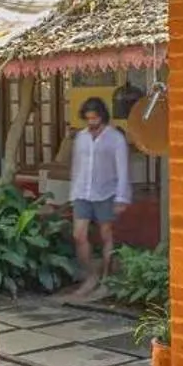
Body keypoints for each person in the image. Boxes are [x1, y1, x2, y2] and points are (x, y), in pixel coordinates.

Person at [68, 96, 131, 296]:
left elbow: (123, 169)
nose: (91, 123)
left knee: (106, 235)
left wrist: (122, 197)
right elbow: (77, 167)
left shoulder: (115, 138)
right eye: (88, 119)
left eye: (94, 119)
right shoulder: (81, 137)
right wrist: (73, 193)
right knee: (79, 235)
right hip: (82, 192)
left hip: (106, 192)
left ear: (102, 117)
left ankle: (106, 278)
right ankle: (90, 275)